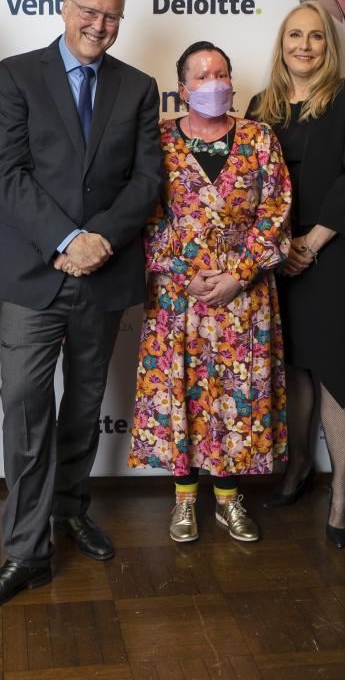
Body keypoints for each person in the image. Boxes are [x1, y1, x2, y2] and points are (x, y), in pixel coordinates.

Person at [0, 0, 162, 611]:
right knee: (24, 406)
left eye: (110, 16)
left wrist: (98, 238)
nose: (97, 25)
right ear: (64, 6)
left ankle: (72, 508)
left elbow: (146, 179)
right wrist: (66, 240)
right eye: (88, 11)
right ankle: (25, 551)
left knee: (83, 403)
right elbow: (7, 171)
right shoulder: (16, 75)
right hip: (32, 276)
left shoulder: (137, 87)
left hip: (104, 273)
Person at [128, 41, 292, 544]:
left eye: (221, 73)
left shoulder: (260, 139)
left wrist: (239, 273)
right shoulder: (157, 142)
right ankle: (183, 499)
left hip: (244, 296)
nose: (213, 82)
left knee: (236, 398)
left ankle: (228, 498)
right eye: (201, 76)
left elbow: (276, 211)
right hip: (179, 298)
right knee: (183, 394)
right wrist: (182, 272)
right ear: (182, 90)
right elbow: (145, 215)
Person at [246, 1, 345, 548]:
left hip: (334, 255)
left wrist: (313, 240)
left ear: (329, 46)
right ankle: (298, 468)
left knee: (335, 374)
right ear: (281, 44)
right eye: (294, 36)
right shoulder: (260, 105)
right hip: (278, 263)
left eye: (316, 37)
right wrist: (279, 249)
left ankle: (342, 493)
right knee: (293, 371)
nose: (304, 45)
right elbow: (247, 188)